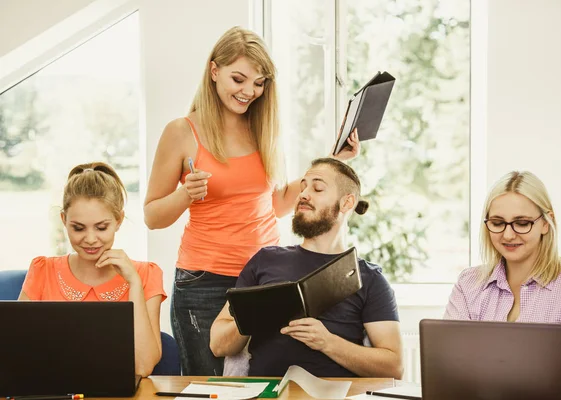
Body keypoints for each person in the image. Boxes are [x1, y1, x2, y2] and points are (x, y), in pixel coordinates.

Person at [143, 26, 359, 375]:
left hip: (264, 279)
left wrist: (335, 161)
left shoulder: (264, 129)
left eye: (258, 83)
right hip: (204, 283)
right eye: (239, 79)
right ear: (214, 72)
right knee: (211, 391)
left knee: (263, 385)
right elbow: (152, 216)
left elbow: (275, 205)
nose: (249, 92)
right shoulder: (182, 132)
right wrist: (186, 194)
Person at [210, 158, 402, 378]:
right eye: (303, 187)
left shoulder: (368, 278)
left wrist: (327, 342)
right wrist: (255, 317)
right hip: (267, 393)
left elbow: (394, 367)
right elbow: (218, 345)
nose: (303, 194)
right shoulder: (265, 260)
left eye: (318, 188)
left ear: (347, 203)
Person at [444, 171, 561, 379]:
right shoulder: (468, 283)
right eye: (498, 223)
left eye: (522, 223)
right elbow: (449, 365)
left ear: (546, 223)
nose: (508, 234)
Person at [19, 162, 167, 377]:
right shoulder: (43, 270)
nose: (90, 239)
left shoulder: (146, 275)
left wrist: (133, 284)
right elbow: (17, 351)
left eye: (101, 227)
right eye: (78, 228)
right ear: (64, 220)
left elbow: (143, 367)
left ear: (118, 220)